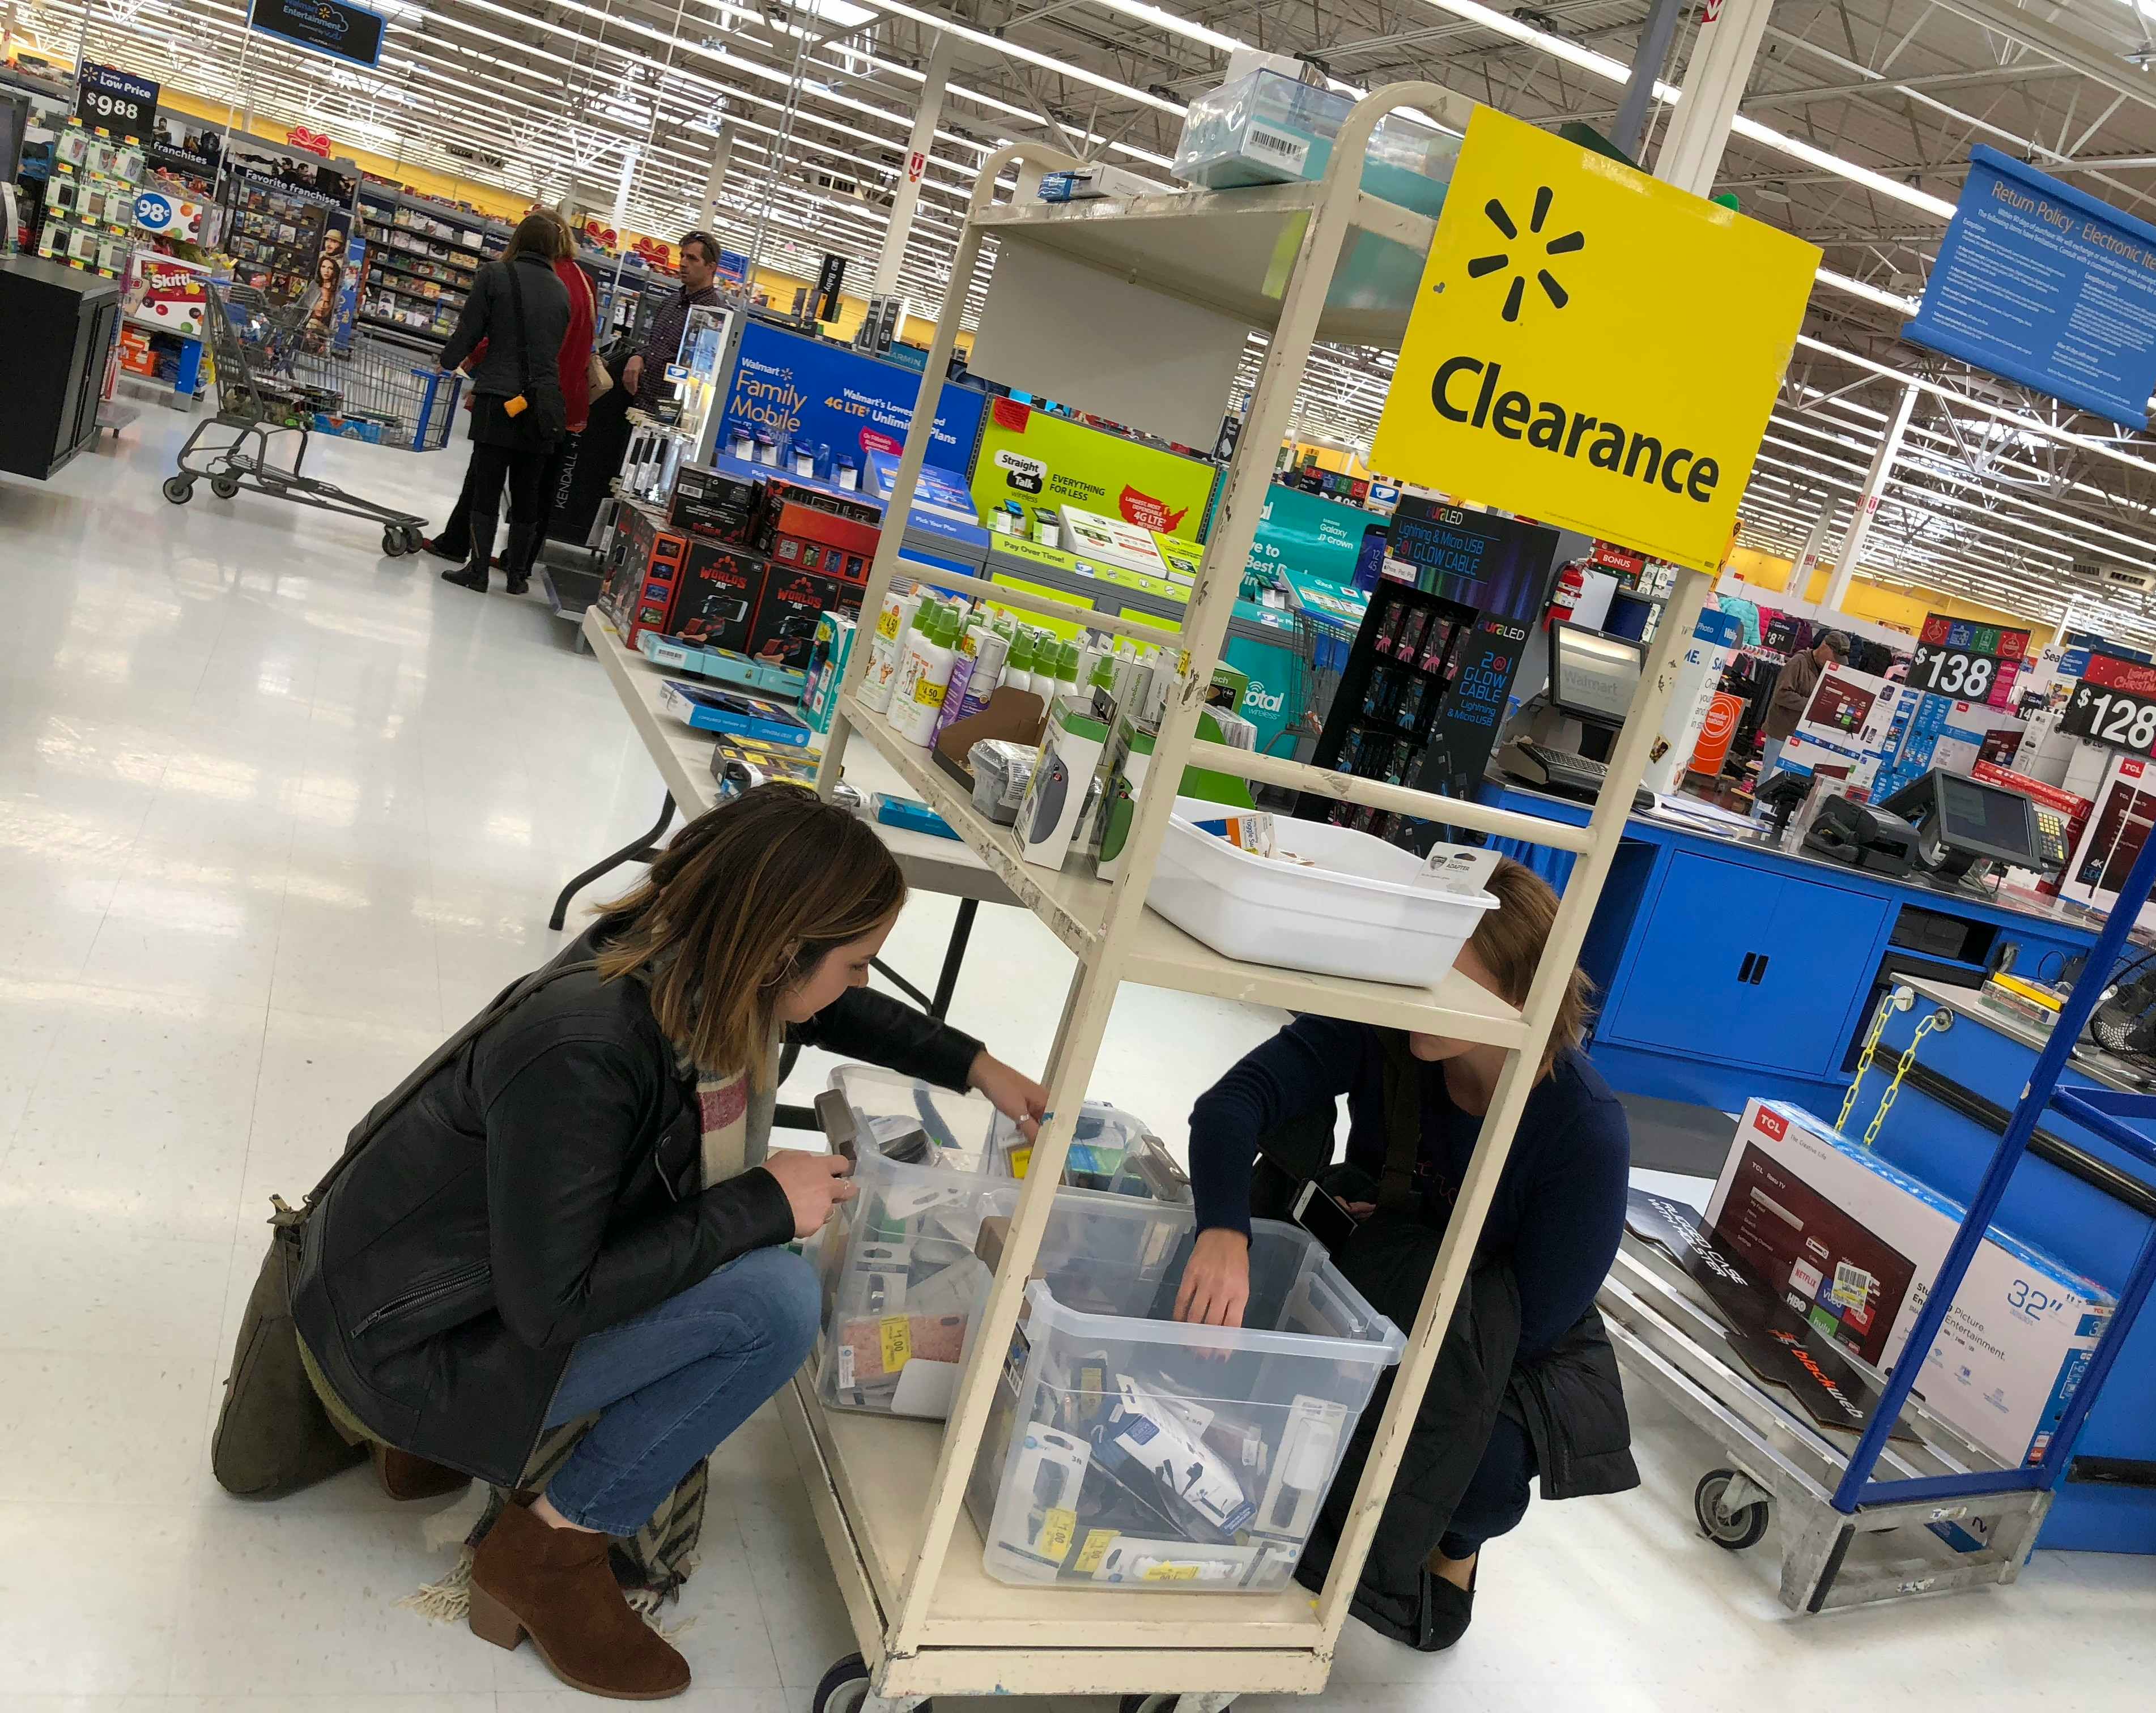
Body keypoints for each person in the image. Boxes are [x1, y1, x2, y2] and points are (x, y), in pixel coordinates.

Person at [292, 784, 1049, 1699]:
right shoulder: (588, 1049)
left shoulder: (682, 955)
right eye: (856, 963)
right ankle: (550, 1551)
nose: (858, 986)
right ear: (778, 950)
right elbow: (552, 1303)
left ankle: (448, 1451)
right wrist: (763, 1203)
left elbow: (827, 1004)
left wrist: (975, 1064)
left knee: (753, 1251)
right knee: (775, 1297)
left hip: (418, 1293)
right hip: (405, 1349)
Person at [1175, 858, 1636, 1652]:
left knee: (1476, 1468)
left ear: (1520, 997)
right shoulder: (1389, 1028)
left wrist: (1360, 1362)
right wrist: (1223, 1232)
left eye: (1455, 984)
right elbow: (1232, 1104)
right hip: (1384, 1270)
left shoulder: (1583, 1132)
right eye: (1421, 970)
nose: (1424, 997)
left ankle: (1454, 1550)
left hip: (1496, 1338)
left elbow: (1530, 1327)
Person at [423, 214, 602, 585]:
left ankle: (477, 571)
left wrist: (446, 362)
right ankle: (518, 575)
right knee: (528, 491)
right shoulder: (565, 289)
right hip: (546, 403)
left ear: (518, 239)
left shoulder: (496, 275)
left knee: (487, 486)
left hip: (501, 396)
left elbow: (471, 329)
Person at [621, 230, 724, 413]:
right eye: (682, 256)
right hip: (641, 406)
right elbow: (655, 346)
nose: (683, 263)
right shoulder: (670, 302)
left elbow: (704, 373)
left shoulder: (714, 316)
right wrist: (639, 356)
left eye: (692, 259)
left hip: (671, 416)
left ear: (711, 267)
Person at [1763, 627, 1847, 749]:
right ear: (1824, 646)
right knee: (1770, 769)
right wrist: (1812, 705)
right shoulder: (1799, 662)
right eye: (1834, 657)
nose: (1835, 662)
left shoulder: (1828, 670)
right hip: (1781, 733)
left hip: (1803, 734)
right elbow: (1781, 694)